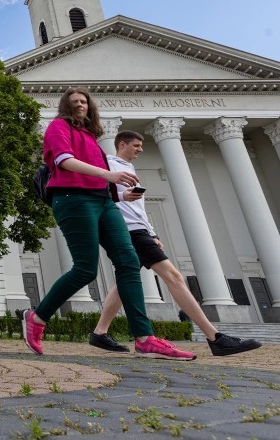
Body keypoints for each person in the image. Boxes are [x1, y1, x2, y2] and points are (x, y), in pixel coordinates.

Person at [23, 87, 196, 360]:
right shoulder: (58, 126)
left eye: (84, 101)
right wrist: (109, 174)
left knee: (128, 261)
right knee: (85, 269)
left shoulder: (91, 137)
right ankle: (38, 317)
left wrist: (120, 193)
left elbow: (103, 180)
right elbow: (63, 161)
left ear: (90, 107)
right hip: (73, 200)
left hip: (104, 202)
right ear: (66, 107)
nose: (80, 105)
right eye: (74, 102)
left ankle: (144, 338)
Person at [89, 130, 262, 357]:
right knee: (174, 277)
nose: (141, 149)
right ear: (122, 144)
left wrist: (152, 233)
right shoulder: (109, 166)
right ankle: (215, 338)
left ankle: (99, 333)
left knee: (124, 280)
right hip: (129, 231)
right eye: (136, 145)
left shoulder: (129, 168)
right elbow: (104, 197)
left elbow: (138, 209)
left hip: (140, 231)